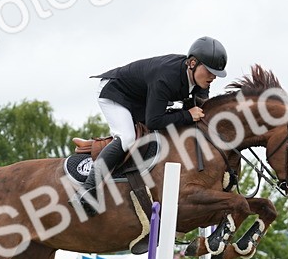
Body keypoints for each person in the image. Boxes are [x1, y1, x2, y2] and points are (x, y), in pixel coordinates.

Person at [72, 36, 228, 214]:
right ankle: (86, 190)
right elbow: (154, 121)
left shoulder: (201, 82)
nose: (213, 76)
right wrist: (186, 115)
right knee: (127, 138)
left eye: (216, 72)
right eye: (209, 70)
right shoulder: (166, 78)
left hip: (140, 98)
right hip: (115, 92)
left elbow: (199, 113)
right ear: (192, 63)